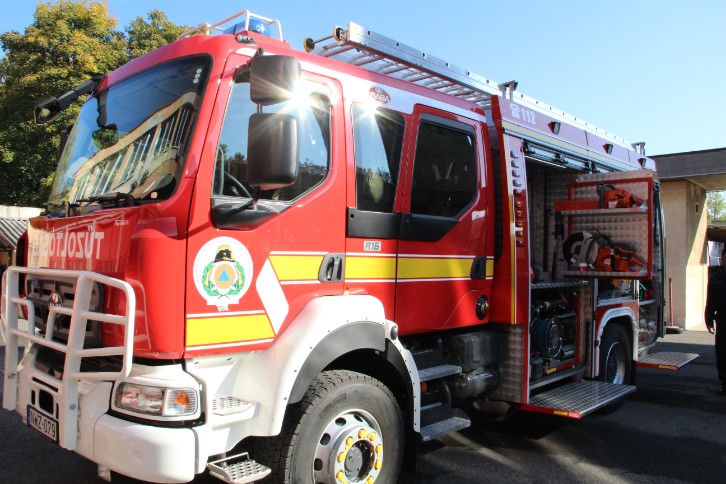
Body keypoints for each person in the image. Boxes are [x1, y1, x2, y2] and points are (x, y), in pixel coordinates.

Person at [705, 247, 726, 396]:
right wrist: (709, 321)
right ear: (722, 260)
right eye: (725, 258)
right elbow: (710, 302)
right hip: (723, 320)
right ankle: (725, 384)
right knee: (722, 353)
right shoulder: (716, 279)